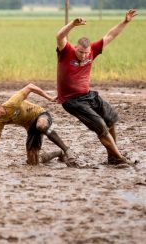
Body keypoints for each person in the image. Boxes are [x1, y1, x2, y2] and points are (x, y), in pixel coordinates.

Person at [56, 9, 137, 165]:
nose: (84, 56)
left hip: (89, 96)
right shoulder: (66, 52)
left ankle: (113, 156)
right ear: (75, 48)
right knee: (100, 126)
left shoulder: (92, 50)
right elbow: (59, 36)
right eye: (81, 52)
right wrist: (72, 24)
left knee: (111, 119)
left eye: (86, 53)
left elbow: (111, 35)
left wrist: (125, 21)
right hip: (72, 101)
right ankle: (119, 159)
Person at [0, 83, 76, 166]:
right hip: (31, 128)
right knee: (33, 162)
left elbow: (30, 86)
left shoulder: (12, 103)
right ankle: (59, 153)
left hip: (40, 115)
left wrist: (49, 98)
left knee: (41, 125)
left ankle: (66, 150)